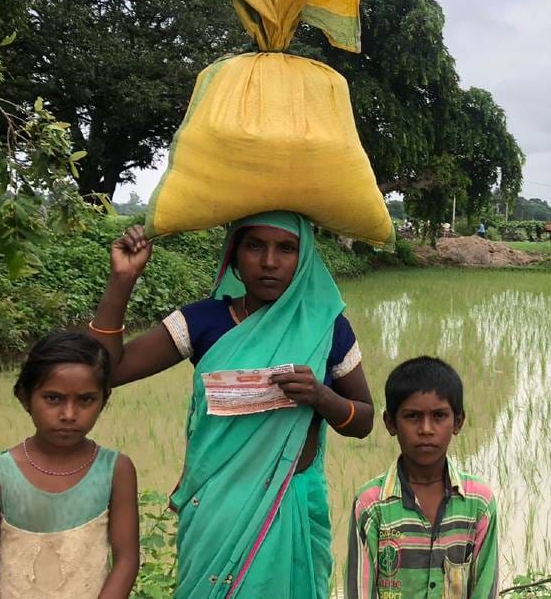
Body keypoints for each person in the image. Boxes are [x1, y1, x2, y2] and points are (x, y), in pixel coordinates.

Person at [89, 211, 375, 598]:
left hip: (292, 502)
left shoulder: (327, 328)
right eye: (254, 246)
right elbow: (108, 370)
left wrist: (321, 396)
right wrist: (122, 280)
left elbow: (364, 420)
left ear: (304, 258)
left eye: (286, 248)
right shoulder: (204, 320)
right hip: (217, 510)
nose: (269, 261)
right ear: (234, 255)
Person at [0, 332, 139, 599]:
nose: (69, 414)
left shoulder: (116, 470)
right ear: (25, 398)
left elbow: (126, 561)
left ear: (103, 401)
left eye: (86, 400)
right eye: (53, 398)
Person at [346, 357, 498, 599]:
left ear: (458, 422)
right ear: (390, 423)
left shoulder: (479, 503)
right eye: (412, 416)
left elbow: (485, 589)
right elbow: (359, 592)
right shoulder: (371, 505)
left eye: (439, 416)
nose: (426, 429)